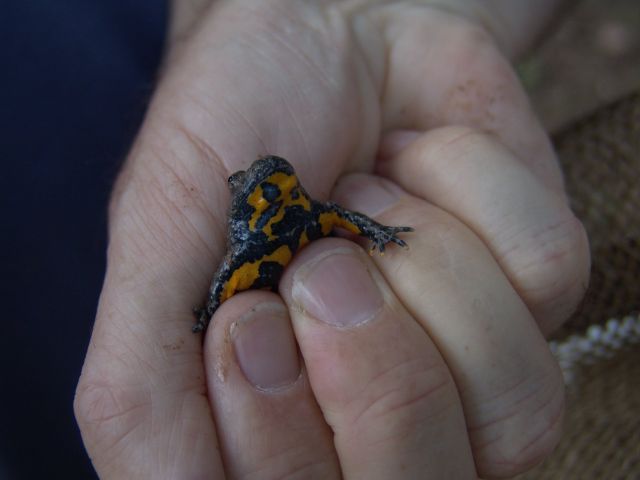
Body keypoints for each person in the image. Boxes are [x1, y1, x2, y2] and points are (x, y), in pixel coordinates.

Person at [74, 1, 590, 478]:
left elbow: (341, 215)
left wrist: (347, 17)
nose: (267, 185)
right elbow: (225, 284)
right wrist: (203, 317)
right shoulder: (249, 249)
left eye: (274, 183)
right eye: (253, 187)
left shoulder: (302, 213)